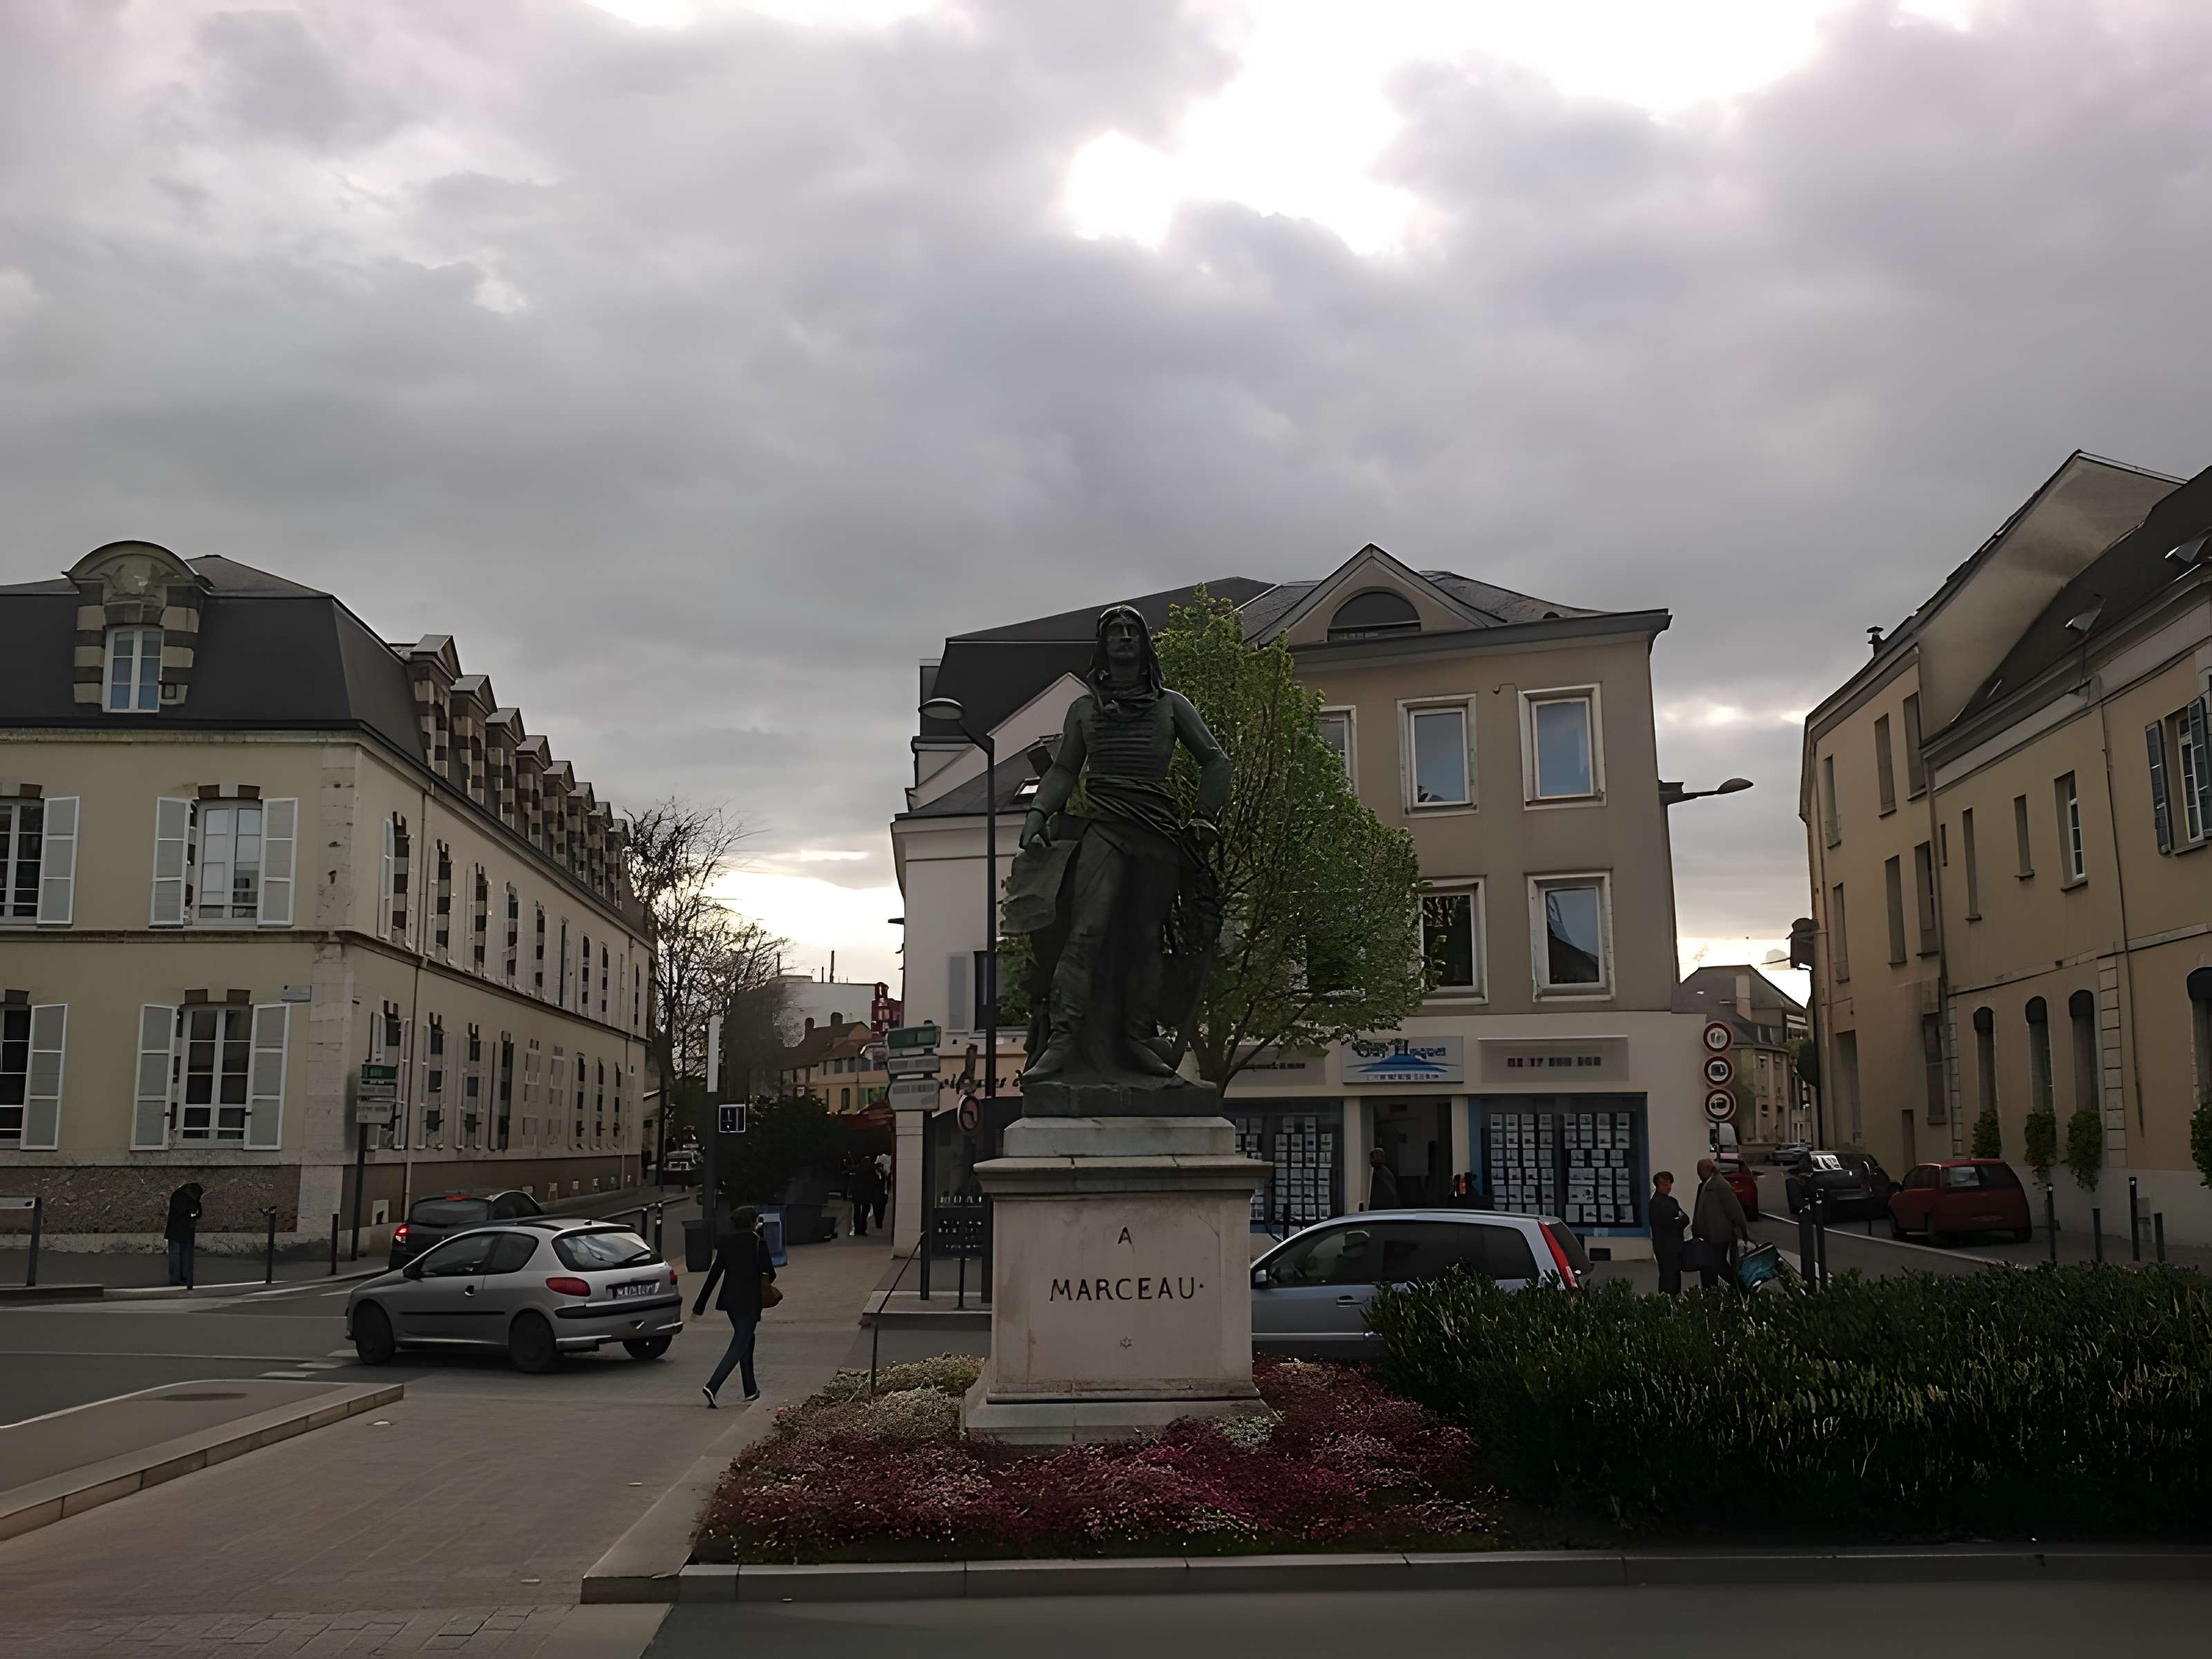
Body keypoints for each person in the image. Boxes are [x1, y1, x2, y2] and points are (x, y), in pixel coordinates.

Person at [694, 1206, 774, 1406]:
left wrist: (699, 1306)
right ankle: (713, 1385)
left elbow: (714, 1275)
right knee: (740, 1343)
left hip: (730, 1301)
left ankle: (750, 1389)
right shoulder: (757, 1242)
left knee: (747, 1338)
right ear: (753, 1222)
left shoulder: (726, 1243)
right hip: (750, 1301)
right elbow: (770, 1273)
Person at [1690, 1157, 1748, 1291]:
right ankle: (1711, 1292)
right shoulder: (1704, 1185)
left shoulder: (1720, 1185)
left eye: (1700, 1170)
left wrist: (1743, 1230)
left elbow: (1735, 1210)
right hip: (1706, 1236)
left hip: (1719, 1235)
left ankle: (1740, 1288)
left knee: (1718, 1263)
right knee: (1707, 1265)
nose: (1698, 1173)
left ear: (1707, 1170)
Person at [1649, 1170, 1688, 1295]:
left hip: (1674, 1246)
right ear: (1657, 1185)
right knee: (1669, 1279)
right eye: (1664, 1184)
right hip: (1666, 1247)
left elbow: (1685, 1219)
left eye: (1669, 1184)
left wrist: (1678, 1220)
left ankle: (1671, 1302)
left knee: (1674, 1277)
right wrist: (1678, 1220)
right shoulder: (1656, 1203)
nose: (1668, 1187)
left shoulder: (1672, 1201)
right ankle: (1668, 1304)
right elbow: (1669, 1224)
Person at [164, 1181, 203, 1288]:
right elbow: (193, 1212)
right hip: (181, 1230)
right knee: (180, 1255)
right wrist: (193, 1213)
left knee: (179, 1255)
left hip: (180, 1231)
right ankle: (179, 1278)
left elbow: (197, 1211)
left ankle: (179, 1278)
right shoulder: (185, 1198)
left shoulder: (183, 1195)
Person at [1367, 1145, 1400, 1211]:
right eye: (1372, 1158)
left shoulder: (1383, 1173)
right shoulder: (1378, 1172)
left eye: (1375, 1159)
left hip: (1384, 1208)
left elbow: (1391, 1192)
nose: (1372, 1161)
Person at [872, 1152, 890, 1232]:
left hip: (877, 1195)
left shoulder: (880, 1174)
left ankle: (878, 1223)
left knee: (877, 1210)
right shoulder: (885, 1174)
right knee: (881, 1210)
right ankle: (879, 1223)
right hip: (882, 1195)